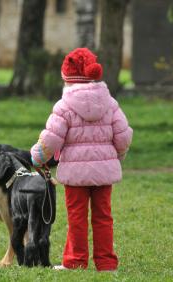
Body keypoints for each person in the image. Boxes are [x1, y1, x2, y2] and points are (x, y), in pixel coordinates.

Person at [30, 48, 133, 272]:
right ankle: (106, 264)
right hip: (104, 173)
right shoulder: (111, 104)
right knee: (103, 216)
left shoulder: (64, 106)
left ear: (67, 78)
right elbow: (123, 136)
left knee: (77, 217)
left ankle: (75, 261)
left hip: (75, 176)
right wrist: (117, 157)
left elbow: (51, 140)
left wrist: (37, 157)